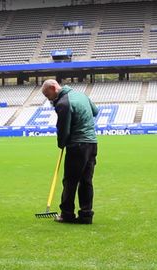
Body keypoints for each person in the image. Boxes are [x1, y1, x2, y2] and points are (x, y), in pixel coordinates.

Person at [41, 79, 98, 224]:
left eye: (49, 96)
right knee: (86, 180)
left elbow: (63, 128)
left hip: (77, 145)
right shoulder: (82, 95)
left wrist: (61, 144)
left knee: (70, 181)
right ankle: (86, 215)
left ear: (54, 88)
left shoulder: (63, 103)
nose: (49, 100)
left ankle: (67, 214)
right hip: (92, 143)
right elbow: (95, 112)